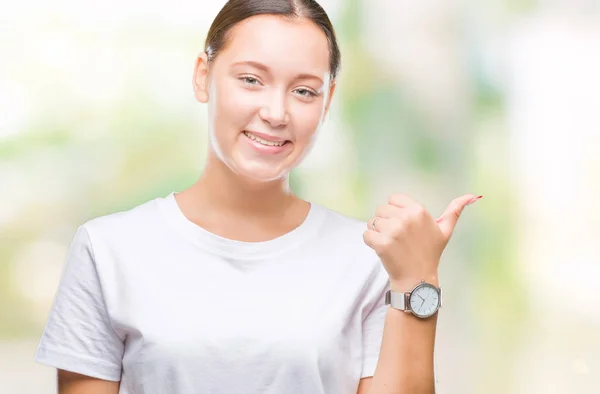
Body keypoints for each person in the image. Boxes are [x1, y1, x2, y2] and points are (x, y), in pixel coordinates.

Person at [34, 0, 481, 393]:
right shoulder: (109, 249)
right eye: (251, 80)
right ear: (203, 77)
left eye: (304, 91)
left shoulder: (367, 259)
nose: (275, 112)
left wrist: (417, 279)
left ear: (326, 105)